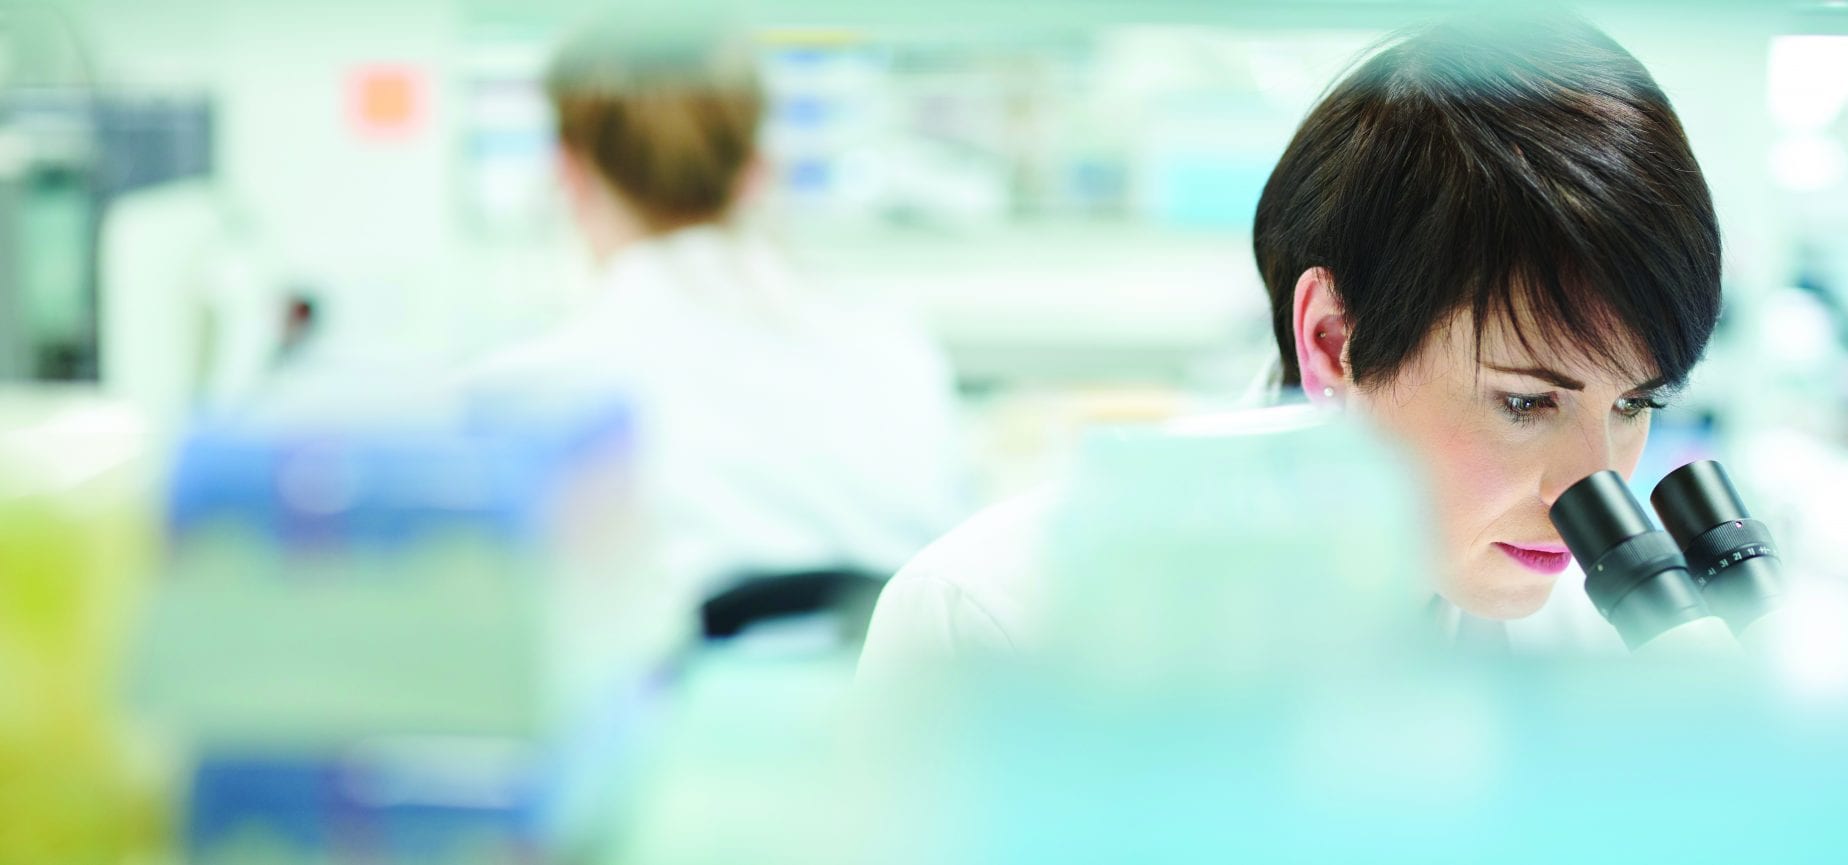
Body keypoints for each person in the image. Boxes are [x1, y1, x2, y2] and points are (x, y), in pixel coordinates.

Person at [859, 13, 1722, 673]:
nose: (1594, 486)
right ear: (1334, 342)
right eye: (1526, 402)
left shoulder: (1605, 650)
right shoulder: (998, 624)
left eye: (1636, 402)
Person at [480, 11, 970, 637]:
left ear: (568, 171)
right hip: (894, 726)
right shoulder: (894, 350)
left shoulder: (531, 397)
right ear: (757, 169)